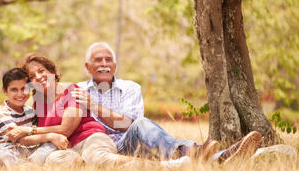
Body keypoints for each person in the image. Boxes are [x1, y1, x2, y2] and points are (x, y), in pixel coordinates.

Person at [73, 42, 261, 163]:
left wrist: (94, 106)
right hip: (103, 149)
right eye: (98, 60)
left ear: (115, 66)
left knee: (141, 125)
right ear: (87, 67)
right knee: (153, 133)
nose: (104, 64)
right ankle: (212, 155)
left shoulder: (130, 88)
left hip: (132, 145)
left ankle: (216, 155)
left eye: (109, 60)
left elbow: (127, 125)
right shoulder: (77, 90)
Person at [5, 53, 145, 167]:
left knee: (97, 158)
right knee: (53, 161)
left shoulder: (71, 91)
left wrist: (28, 130)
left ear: (51, 71)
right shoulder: (38, 101)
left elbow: (66, 129)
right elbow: (46, 135)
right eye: (32, 77)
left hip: (90, 139)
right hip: (66, 148)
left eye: (41, 71)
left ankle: (155, 166)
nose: (38, 77)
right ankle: (83, 165)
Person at [0, 68, 69, 168]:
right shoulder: (0, 113)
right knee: (3, 155)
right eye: (14, 90)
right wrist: (50, 136)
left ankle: (29, 166)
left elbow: (36, 133)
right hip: (2, 154)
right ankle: (23, 168)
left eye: (24, 89)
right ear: (5, 91)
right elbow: (20, 139)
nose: (20, 94)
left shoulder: (30, 112)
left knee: (50, 145)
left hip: (25, 154)